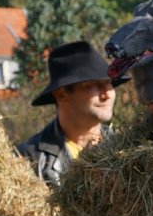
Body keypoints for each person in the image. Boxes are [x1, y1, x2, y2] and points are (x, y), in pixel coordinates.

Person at [16, 41, 128, 186]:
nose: (107, 94)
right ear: (62, 95)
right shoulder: (29, 161)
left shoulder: (125, 148)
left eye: (109, 83)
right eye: (94, 85)